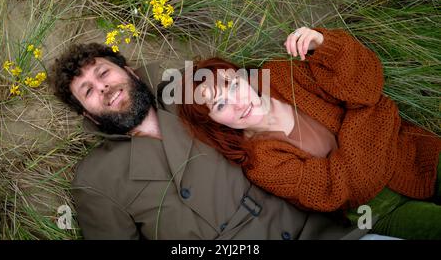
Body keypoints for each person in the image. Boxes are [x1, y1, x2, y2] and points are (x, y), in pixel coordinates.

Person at [50, 42, 374, 240]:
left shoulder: (191, 93)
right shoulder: (97, 178)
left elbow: (268, 95)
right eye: (88, 91)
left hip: (316, 232)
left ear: (131, 72)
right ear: (88, 116)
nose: (103, 88)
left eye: (103, 73)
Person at [177, 26, 441, 240]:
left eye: (233, 86)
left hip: (414, 151)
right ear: (213, 121)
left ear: (245, 78)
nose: (237, 103)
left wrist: (324, 44)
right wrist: (370, 112)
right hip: (379, 209)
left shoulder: (280, 74)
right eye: (219, 105)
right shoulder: (260, 162)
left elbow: (365, 84)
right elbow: (341, 190)